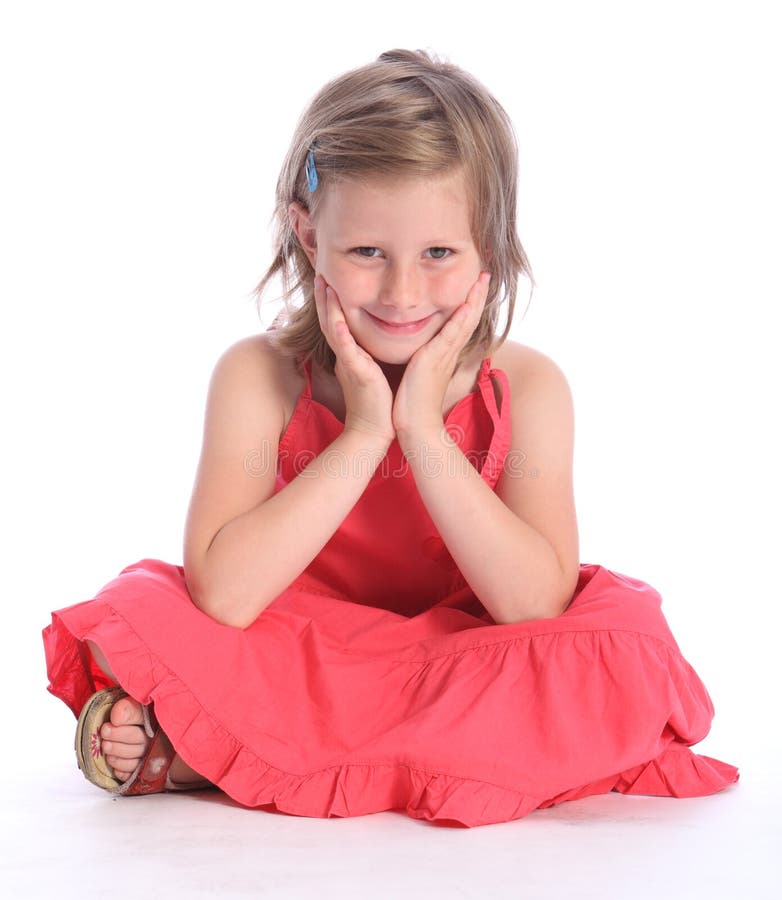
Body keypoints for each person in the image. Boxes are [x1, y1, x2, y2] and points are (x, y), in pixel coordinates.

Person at [43, 48, 738, 827]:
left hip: (462, 655)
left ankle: (210, 748)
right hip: (294, 649)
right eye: (367, 253)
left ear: (492, 249)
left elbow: (534, 604)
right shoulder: (257, 375)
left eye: (439, 254)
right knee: (142, 610)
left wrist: (421, 428)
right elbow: (226, 597)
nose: (403, 293)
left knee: (621, 647)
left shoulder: (532, 388)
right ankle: (379, 747)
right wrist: (367, 431)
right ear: (307, 233)